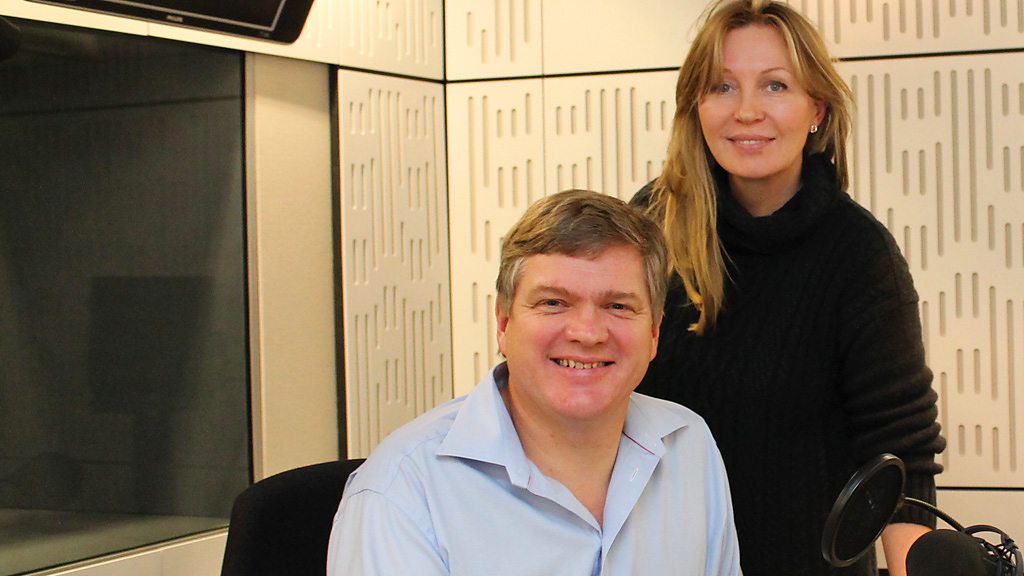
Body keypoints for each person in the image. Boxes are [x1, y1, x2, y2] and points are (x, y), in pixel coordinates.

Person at [630, 2, 946, 576]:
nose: (747, 111)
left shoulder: (860, 256)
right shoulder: (651, 225)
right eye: (722, 86)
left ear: (816, 109)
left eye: (775, 85)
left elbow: (900, 457)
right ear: (696, 106)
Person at [327, 189, 742, 575]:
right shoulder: (402, 492)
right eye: (553, 303)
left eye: (618, 305)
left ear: (653, 332)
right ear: (503, 323)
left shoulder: (688, 446)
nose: (587, 333)